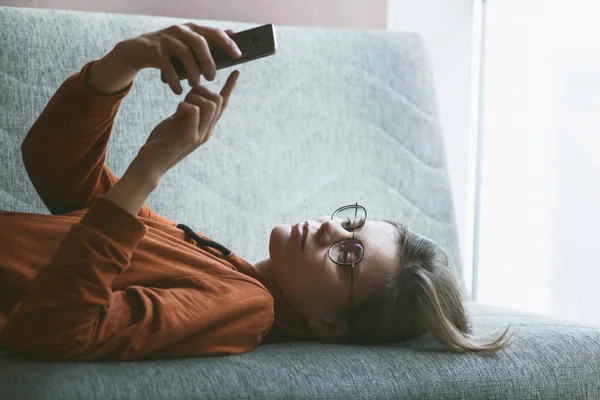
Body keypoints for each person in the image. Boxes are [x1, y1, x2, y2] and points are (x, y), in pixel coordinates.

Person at [0, 23, 513, 361]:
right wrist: (124, 63)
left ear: (330, 325)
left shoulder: (245, 306)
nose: (331, 228)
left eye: (347, 254)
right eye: (351, 222)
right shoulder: (225, 266)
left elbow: (55, 328)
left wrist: (150, 168)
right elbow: (57, 170)